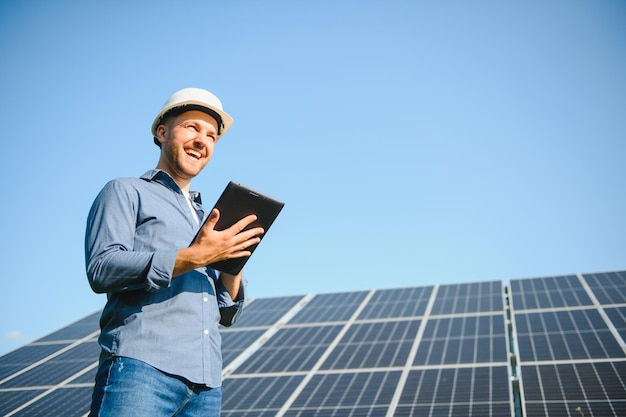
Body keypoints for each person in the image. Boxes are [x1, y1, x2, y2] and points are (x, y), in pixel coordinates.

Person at [85, 88, 264, 416]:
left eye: (211, 135)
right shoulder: (126, 190)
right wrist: (196, 256)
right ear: (162, 132)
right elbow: (102, 267)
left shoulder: (208, 218)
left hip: (206, 388)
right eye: (192, 128)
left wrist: (233, 259)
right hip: (141, 370)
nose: (202, 140)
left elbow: (225, 312)